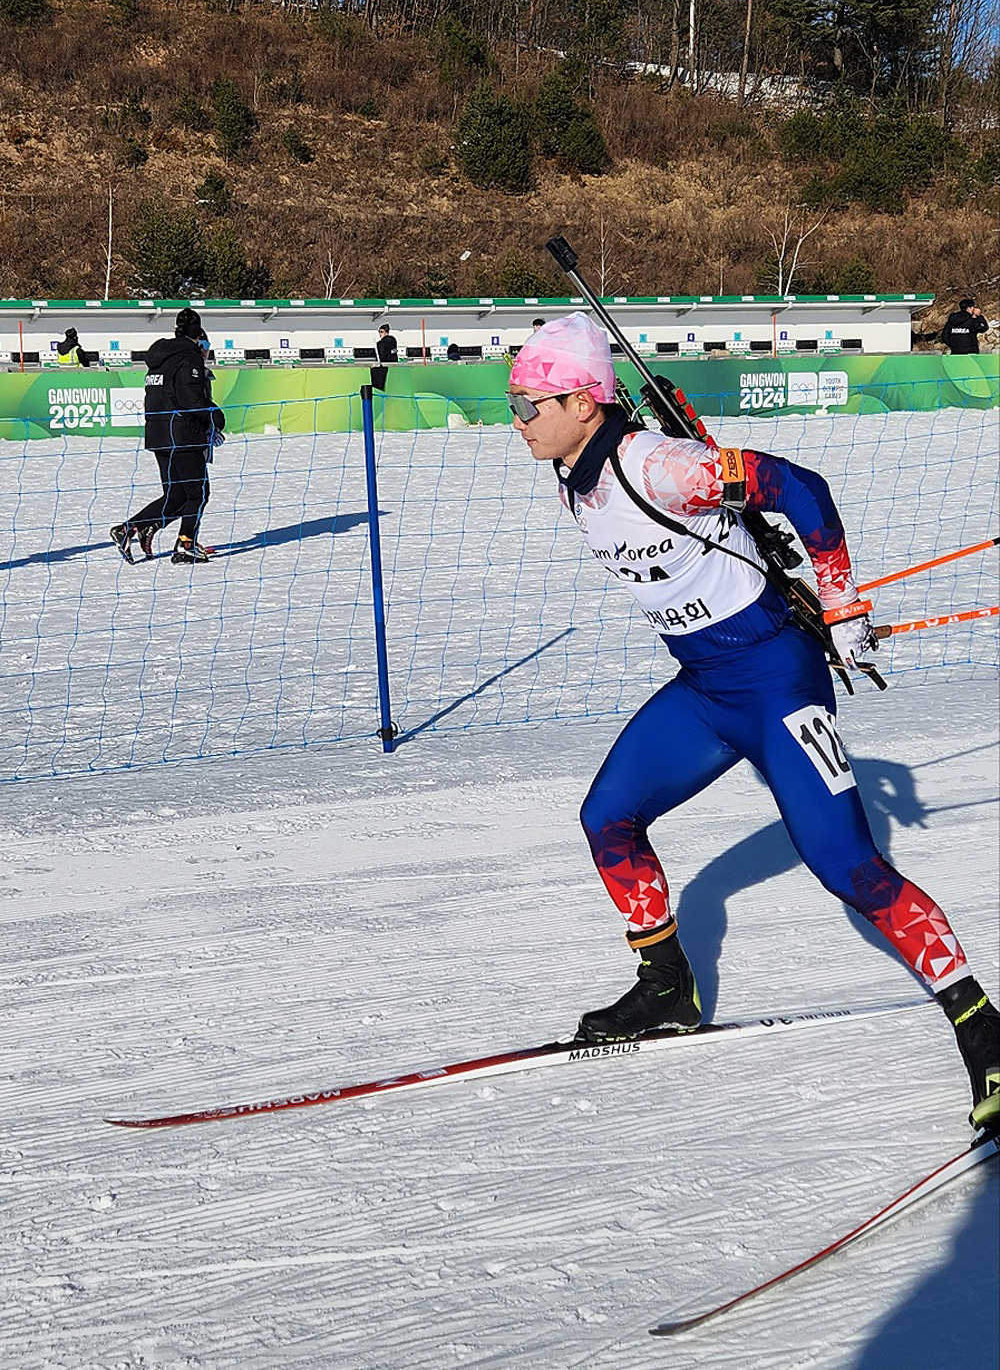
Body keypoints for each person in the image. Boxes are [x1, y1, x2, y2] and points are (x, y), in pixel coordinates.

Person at [507, 311, 999, 1134]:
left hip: (776, 684)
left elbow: (799, 488)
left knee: (847, 867)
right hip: (705, 687)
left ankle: (982, 1026)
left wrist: (841, 604)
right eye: (514, 402)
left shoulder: (659, 467)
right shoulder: (572, 472)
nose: (516, 420)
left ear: (585, 404)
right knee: (608, 818)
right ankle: (669, 989)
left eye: (530, 404)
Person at [110, 307, 225, 565]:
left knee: (176, 496)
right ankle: (186, 544)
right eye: (205, 344)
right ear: (198, 339)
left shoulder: (160, 359)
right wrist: (215, 417)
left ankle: (132, 529)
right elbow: (190, 399)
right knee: (198, 493)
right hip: (182, 436)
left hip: (159, 435)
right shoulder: (189, 357)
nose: (206, 350)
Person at [373, 323, 398, 391]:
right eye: (379, 332)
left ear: (386, 332)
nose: (380, 334)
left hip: (384, 367)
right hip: (393, 367)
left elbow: (382, 356)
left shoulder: (382, 343)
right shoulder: (393, 341)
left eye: (382, 332)